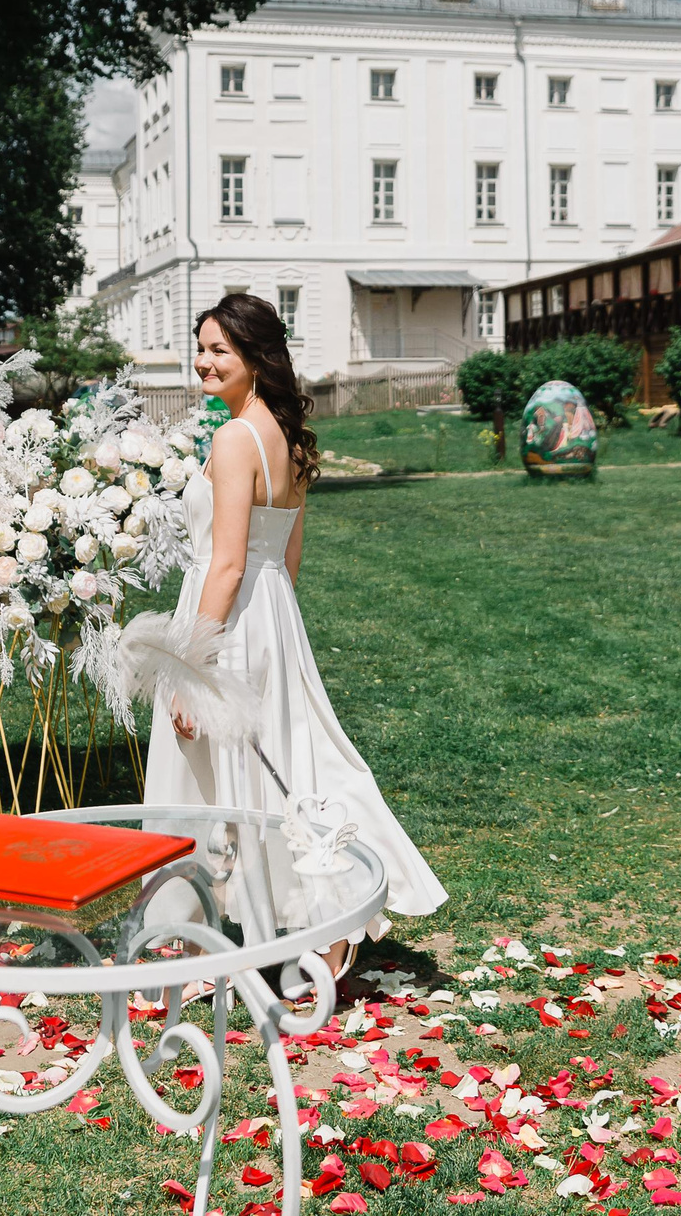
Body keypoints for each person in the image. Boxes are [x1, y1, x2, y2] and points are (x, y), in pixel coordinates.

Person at [145, 294, 444, 984]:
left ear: (256, 354)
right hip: (272, 614)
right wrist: (272, 628)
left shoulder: (232, 440)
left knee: (223, 772)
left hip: (228, 616)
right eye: (201, 346)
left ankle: (215, 937)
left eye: (220, 348)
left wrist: (193, 663)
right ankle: (308, 922)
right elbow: (289, 556)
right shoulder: (288, 434)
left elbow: (225, 563)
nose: (204, 360)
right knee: (290, 762)